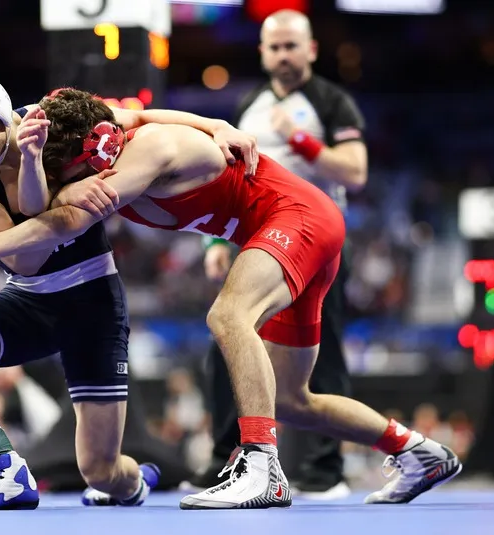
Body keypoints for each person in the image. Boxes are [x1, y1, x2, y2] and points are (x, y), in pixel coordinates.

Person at [0, 88, 463, 509]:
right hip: (293, 232)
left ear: (96, 154)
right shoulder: (99, 131)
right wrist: (215, 123)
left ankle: (261, 466)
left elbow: (63, 222)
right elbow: (136, 114)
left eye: (64, 175)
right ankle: (417, 452)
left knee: (228, 315)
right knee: (291, 399)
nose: (58, 186)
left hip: (297, 218)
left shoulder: (145, 153)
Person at [0, 63, 260, 510]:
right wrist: (60, 192)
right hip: (30, 298)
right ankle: (6, 469)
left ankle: (137, 480)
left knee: (102, 472)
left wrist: (216, 125)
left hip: (92, 303)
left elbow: (137, 117)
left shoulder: (52, 120)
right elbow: (24, 260)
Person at [191, 8, 367, 500]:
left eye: (292, 46)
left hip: (318, 243)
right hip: (259, 242)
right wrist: (215, 241)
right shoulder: (249, 104)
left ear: (311, 50)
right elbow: (225, 177)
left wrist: (301, 141)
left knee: (323, 357)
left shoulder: (331, 102)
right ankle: (223, 461)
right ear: (263, 52)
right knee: (226, 342)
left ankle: (325, 470)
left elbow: (355, 173)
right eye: (275, 47)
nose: (284, 55)